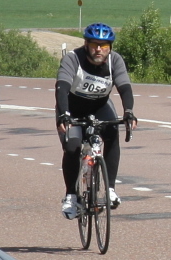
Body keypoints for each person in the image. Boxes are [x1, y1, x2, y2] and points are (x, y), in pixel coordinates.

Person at [55, 23, 136, 218]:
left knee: (112, 135)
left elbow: (125, 87)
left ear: (110, 47)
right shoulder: (73, 58)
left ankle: (110, 189)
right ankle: (71, 196)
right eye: (94, 45)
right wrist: (64, 114)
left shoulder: (115, 60)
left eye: (104, 46)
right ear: (86, 44)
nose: (99, 49)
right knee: (72, 147)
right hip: (72, 108)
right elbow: (62, 87)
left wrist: (129, 112)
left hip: (100, 106)